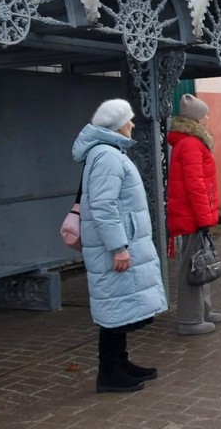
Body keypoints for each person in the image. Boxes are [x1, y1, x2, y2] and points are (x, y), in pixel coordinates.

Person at [71, 98, 167, 393]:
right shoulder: (107, 156)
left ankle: (120, 363)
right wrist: (118, 248)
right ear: (116, 124)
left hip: (120, 242)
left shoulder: (108, 152)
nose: (133, 125)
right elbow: (102, 205)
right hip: (114, 247)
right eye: (129, 120)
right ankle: (109, 374)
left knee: (120, 307)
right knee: (113, 310)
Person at [166, 94, 221, 336]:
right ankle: (190, 319)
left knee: (201, 263)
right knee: (192, 267)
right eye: (205, 114)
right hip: (191, 217)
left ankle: (203, 311)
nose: (208, 117)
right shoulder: (190, 144)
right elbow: (195, 185)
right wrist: (204, 218)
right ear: (196, 118)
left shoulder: (191, 142)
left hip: (193, 216)